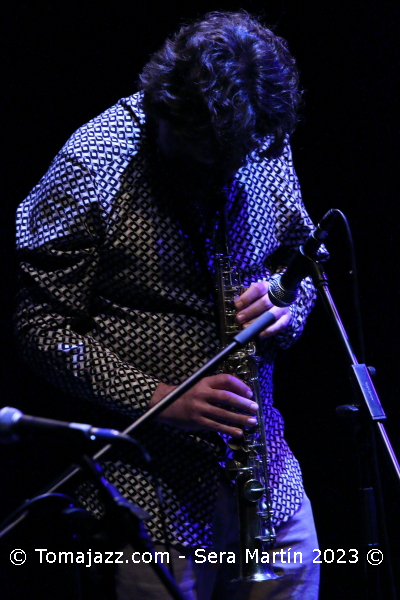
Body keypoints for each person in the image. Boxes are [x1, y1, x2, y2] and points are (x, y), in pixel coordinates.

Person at [15, 11, 320, 600]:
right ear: (166, 110)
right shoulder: (94, 162)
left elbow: (301, 261)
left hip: (269, 483)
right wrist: (160, 399)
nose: (222, 174)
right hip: (149, 500)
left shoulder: (258, 136)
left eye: (235, 159)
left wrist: (288, 305)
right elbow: (39, 326)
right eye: (205, 158)